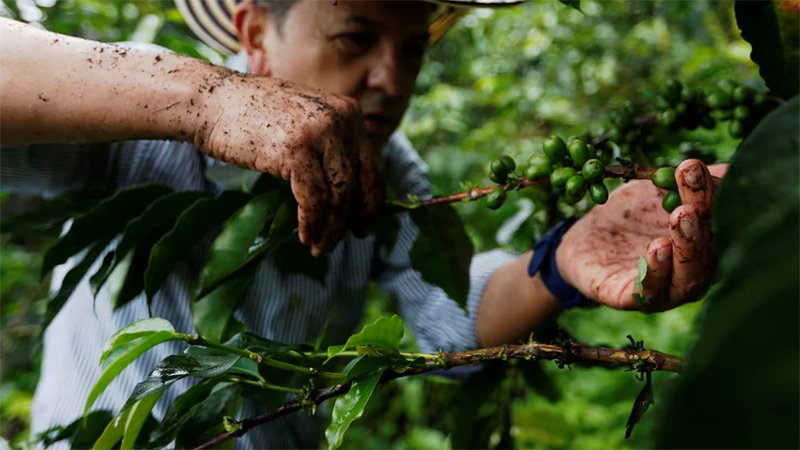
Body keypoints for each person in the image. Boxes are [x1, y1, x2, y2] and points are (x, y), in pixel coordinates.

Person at [0, 0, 724, 448]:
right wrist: (206, 101)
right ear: (253, 31)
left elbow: (447, 314)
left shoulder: (387, 165)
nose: (393, 79)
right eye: (356, 38)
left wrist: (559, 262)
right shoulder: (134, 125)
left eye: (412, 48)